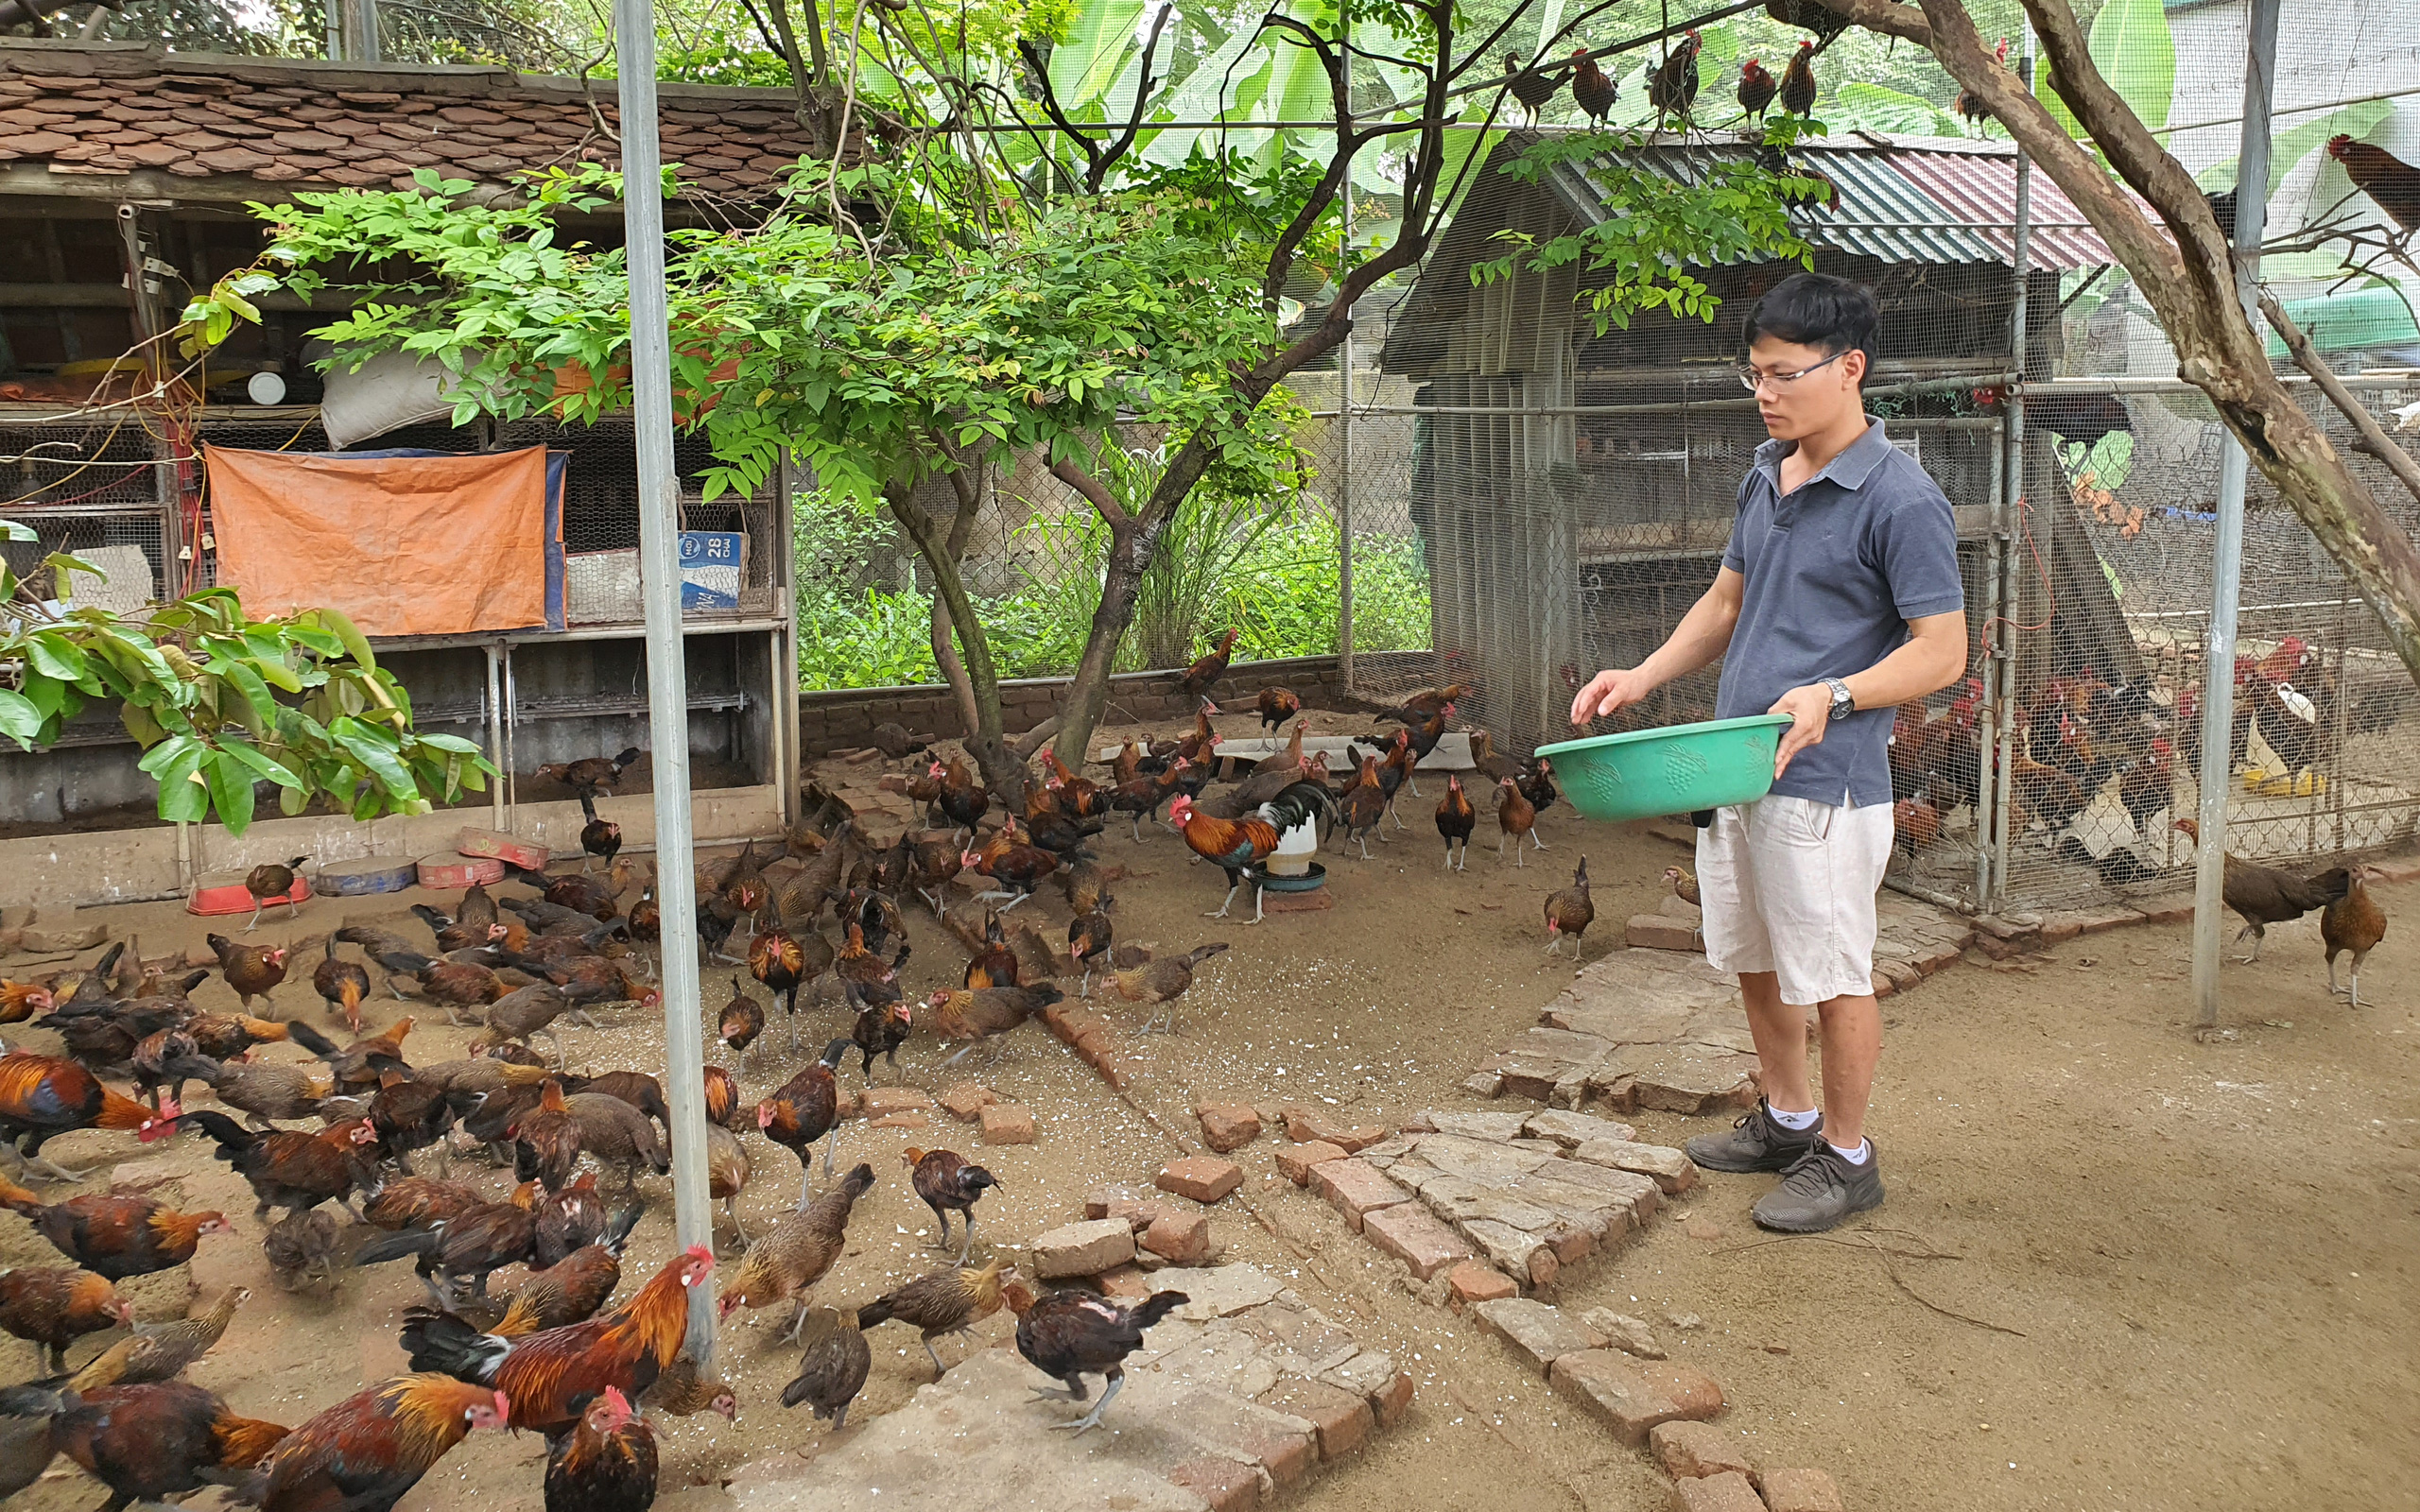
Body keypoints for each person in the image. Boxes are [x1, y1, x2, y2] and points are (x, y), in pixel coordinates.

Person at [1565, 272, 1966, 1233]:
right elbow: (1723, 603)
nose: (1766, 393)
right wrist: (1644, 674)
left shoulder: (1901, 500)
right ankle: (1788, 1120)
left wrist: (1836, 693)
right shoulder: (1766, 471)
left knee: (1832, 973)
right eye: (1754, 374)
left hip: (1826, 784)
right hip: (1733, 766)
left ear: (1850, 368)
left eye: (1784, 374)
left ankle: (1847, 1154)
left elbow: (1943, 651)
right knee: (1751, 954)